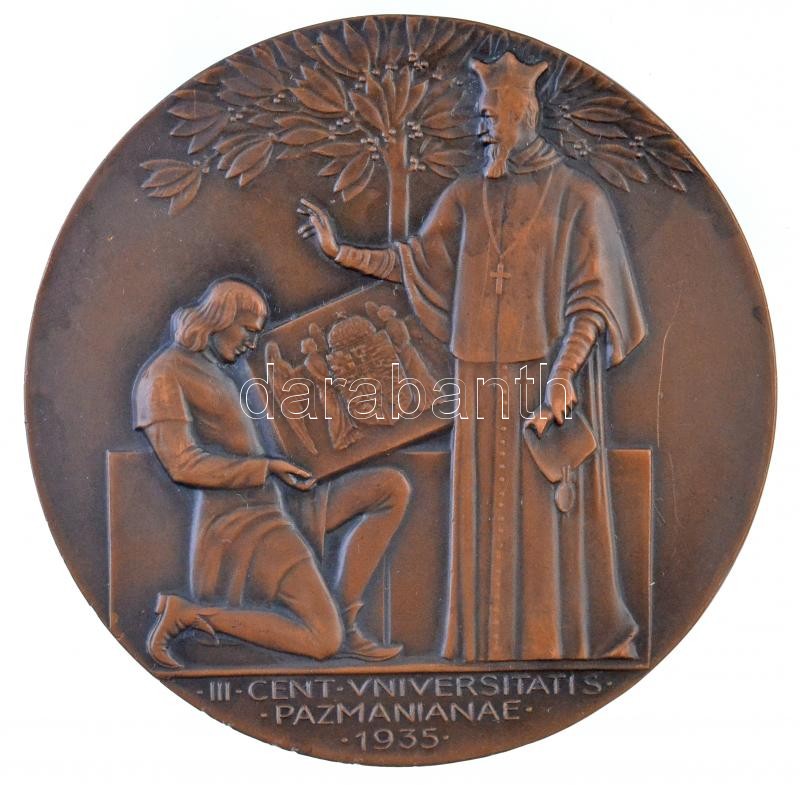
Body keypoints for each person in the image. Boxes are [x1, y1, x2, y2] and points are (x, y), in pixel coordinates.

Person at [298, 52, 647, 662]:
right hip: (480, 383)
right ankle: (489, 644)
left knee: (548, 514)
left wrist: (563, 375)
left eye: (489, 117)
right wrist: (340, 252)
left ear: (521, 115)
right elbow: (413, 263)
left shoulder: (579, 198)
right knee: (483, 515)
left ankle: (558, 640)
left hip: (544, 379)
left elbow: (591, 300)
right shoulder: (465, 196)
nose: (480, 128)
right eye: (478, 118)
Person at [133, 278, 409, 667]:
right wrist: (265, 468)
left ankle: (347, 622)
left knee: (390, 488)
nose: (252, 343)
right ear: (220, 318)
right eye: (248, 330)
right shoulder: (162, 376)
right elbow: (182, 464)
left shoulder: (219, 366)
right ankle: (186, 615)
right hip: (242, 524)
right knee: (322, 640)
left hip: (283, 500)